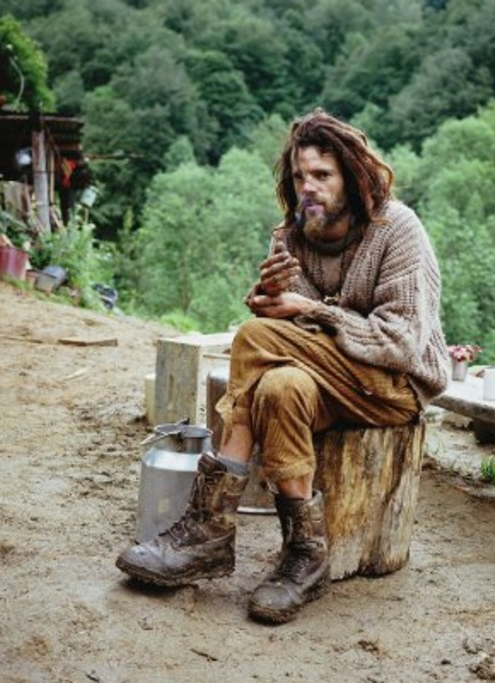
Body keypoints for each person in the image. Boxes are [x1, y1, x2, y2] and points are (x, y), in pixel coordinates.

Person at [115, 109, 450, 624]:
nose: (308, 187)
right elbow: (292, 339)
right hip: (327, 380)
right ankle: (305, 555)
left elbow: (401, 343)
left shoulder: (396, 228)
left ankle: (211, 527)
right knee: (280, 387)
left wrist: (310, 310)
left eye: (322, 175)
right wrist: (270, 297)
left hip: (395, 385)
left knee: (254, 338)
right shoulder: (292, 235)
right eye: (299, 176)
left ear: (353, 178)